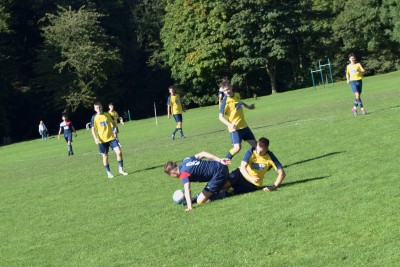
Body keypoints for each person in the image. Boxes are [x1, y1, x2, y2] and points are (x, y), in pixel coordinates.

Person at [164, 152, 232, 211]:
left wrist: (189, 207)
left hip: (218, 174)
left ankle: (226, 193)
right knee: (217, 186)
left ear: (172, 173)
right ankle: (229, 184)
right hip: (221, 166)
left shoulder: (183, 174)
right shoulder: (186, 160)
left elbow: (187, 189)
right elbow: (203, 153)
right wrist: (220, 160)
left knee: (200, 201)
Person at [219, 80, 257, 159]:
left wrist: (248, 107)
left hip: (244, 126)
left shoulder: (237, 95)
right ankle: (223, 163)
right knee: (237, 148)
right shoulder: (225, 102)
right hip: (235, 129)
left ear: (231, 87)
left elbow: (240, 102)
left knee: (255, 144)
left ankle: (257, 162)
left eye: (228, 89)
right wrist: (230, 125)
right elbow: (220, 117)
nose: (227, 92)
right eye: (224, 90)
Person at [91, 101, 128, 178]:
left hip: (111, 138)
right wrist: (95, 139)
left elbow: (113, 123)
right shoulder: (94, 118)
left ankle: (121, 169)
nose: (99, 109)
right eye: (97, 108)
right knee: (105, 156)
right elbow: (93, 129)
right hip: (102, 140)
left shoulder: (107, 115)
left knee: (119, 152)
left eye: (99, 107)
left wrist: (114, 128)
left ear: (102, 107)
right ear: (95, 109)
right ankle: (108, 173)